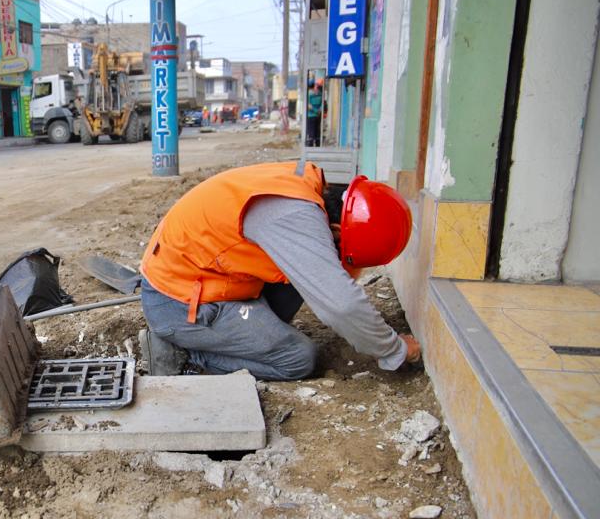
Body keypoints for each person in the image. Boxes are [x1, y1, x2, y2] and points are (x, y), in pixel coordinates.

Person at [138, 161, 421, 380]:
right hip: (179, 303)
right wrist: (394, 349)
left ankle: (242, 337)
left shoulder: (304, 191)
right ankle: (184, 354)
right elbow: (342, 306)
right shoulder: (293, 216)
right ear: (336, 229)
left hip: (198, 278)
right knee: (298, 358)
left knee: (301, 275)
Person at [306, 78, 323, 146]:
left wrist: (315, 111)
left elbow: (309, 106)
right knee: (317, 131)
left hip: (310, 116)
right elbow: (322, 104)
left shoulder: (308, 94)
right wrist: (319, 111)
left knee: (311, 132)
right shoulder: (319, 93)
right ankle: (318, 145)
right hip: (318, 116)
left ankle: (310, 146)